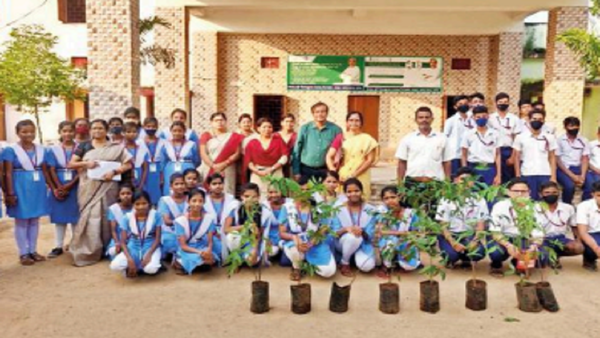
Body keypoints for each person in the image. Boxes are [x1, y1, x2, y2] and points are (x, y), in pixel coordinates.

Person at [69, 119, 133, 267]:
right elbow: (71, 164)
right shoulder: (84, 146)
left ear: (106, 130)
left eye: (100, 128)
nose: (97, 131)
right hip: (88, 188)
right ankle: (89, 250)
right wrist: (86, 164)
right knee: (91, 217)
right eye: (94, 128)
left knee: (107, 216)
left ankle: (108, 248)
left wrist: (115, 171)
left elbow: (128, 164)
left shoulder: (116, 147)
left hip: (109, 186)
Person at [3, 120, 51, 265]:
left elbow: (45, 169)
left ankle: (33, 250)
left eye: (31, 131)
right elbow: (7, 172)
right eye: (24, 132)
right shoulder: (10, 150)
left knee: (35, 219)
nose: (28, 134)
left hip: (37, 187)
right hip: (20, 186)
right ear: (17, 133)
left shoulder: (41, 149)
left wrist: (51, 186)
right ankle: (23, 252)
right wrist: (9, 193)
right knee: (22, 220)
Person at [279, 184, 337, 281]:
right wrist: (295, 238)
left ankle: (308, 262)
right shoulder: (287, 207)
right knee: (295, 252)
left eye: (308, 190)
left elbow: (323, 229)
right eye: (301, 189)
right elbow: (282, 232)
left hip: (315, 241)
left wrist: (310, 244)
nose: (304, 192)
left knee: (328, 272)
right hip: (295, 241)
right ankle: (297, 267)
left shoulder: (319, 207)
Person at [487, 179, 544, 277]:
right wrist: (508, 245)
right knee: (496, 252)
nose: (520, 194)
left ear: (529, 192)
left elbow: (538, 233)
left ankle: (517, 263)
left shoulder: (535, 207)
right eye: (516, 191)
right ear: (508, 192)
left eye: (523, 191)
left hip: (524, 238)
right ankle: (496, 265)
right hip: (504, 237)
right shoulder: (500, 206)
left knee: (542, 257)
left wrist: (534, 246)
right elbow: (495, 231)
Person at [436, 167, 488, 269]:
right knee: (451, 255)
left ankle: (466, 259)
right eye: (462, 180)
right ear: (456, 181)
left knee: (479, 252)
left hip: (469, 235)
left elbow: (481, 225)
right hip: (451, 234)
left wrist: (475, 241)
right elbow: (443, 225)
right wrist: (453, 242)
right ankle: (451, 258)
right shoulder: (446, 199)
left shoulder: (479, 199)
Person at [326, 111, 379, 199]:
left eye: (357, 120)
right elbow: (329, 156)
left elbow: (369, 160)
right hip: (343, 176)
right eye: (351, 120)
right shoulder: (341, 137)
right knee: (342, 202)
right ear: (347, 122)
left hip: (361, 174)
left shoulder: (367, 139)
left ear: (361, 123)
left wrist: (353, 175)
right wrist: (334, 173)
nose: (354, 123)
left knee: (361, 200)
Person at [47, 121, 80, 258]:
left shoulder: (80, 148)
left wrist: (70, 185)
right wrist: (58, 187)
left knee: (75, 217)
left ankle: (74, 244)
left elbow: (81, 169)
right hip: (58, 184)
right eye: (64, 131)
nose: (67, 134)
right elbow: (51, 169)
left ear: (75, 132)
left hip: (76, 184)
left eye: (70, 131)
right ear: (59, 132)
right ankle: (58, 245)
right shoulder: (53, 149)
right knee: (59, 218)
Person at [109, 191, 162, 277]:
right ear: (133, 204)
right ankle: (133, 268)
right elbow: (123, 241)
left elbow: (157, 238)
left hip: (150, 246)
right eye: (137, 204)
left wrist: (149, 254)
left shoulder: (156, 215)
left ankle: (140, 268)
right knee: (115, 266)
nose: (141, 207)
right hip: (133, 247)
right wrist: (129, 259)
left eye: (144, 203)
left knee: (151, 269)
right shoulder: (127, 217)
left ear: (149, 203)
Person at [332, 178, 377, 276]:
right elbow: (334, 233)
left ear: (361, 191)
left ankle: (353, 257)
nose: (353, 194)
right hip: (343, 243)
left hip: (363, 244)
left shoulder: (370, 210)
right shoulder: (338, 208)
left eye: (356, 191)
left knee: (367, 267)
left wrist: (361, 232)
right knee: (352, 237)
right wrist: (347, 229)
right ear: (345, 193)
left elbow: (370, 236)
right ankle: (344, 263)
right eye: (349, 192)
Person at [223, 183, 275, 265]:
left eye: (254, 197)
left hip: (253, 241)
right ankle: (236, 259)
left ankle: (247, 256)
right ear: (241, 197)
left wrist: (254, 250)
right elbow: (226, 229)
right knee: (231, 237)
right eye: (246, 196)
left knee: (251, 262)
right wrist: (246, 226)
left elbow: (260, 234)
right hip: (239, 240)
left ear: (258, 197)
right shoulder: (235, 208)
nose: (250, 199)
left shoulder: (264, 212)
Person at [396, 106, 452, 183]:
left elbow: (447, 162)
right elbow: (402, 162)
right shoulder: (407, 139)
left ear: (432, 119)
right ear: (416, 120)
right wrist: (400, 184)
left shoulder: (442, 138)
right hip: (413, 182)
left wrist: (447, 183)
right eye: (421, 117)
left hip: (435, 183)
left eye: (427, 117)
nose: (424, 120)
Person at [374, 186, 421, 278]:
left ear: (399, 197)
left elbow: (416, 233)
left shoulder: (410, 213)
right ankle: (385, 266)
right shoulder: (382, 212)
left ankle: (399, 261)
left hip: (406, 242)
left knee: (409, 267)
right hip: (388, 242)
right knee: (392, 241)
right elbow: (382, 231)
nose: (390, 200)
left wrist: (399, 234)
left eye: (393, 197)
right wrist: (403, 233)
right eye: (386, 198)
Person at [513, 109, 557, 200]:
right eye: (534, 118)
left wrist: (553, 176)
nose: (537, 121)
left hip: (545, 173)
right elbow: (516, 157)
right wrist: (518, 175)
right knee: (529, 200)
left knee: (544, 202)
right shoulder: (520, 137)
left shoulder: (550, 137)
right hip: (527, 173)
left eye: (540, 119)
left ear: (544, 121)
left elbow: (552, 157)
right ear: (529, 120)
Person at [292, 102, 342, 182]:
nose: (320, 114)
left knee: (324, 194)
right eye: (317, 112)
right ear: (313, 114)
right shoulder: (304, 129)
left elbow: (339, 150)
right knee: (306, 194)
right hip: (305, 170)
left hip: (325, 170)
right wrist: (296, 171)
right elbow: (297, 150)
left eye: (323, 111)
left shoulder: (336, 129)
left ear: (327, 113)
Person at [536, 182, 583, 268]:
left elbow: (574, 226)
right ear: (540, 194)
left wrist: (578, 240)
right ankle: (549, 258)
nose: (551, 195)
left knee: (579, 247)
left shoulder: (568, 208)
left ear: (559, 193)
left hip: (560, 238)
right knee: (542, 259)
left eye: (554, 192)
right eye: (547, 193)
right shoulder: (534, 208)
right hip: (541, 239)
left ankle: (556, 256)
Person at [174, 189, 219, 275]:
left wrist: (208, 250)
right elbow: (183, 246)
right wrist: (200, 252)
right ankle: (179, 261)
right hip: (188, 249)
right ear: (188, 201)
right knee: (200, 259)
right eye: (194, 201)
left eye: (200, 201)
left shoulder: (209, 219)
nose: (197, 204)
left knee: (209, 259)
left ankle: (189, 264)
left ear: (204, 202)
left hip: (201, 246)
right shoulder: (180, 221)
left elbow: (210, 242)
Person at [199, 112, 244, 195]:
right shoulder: (206, 135)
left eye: (221, 120)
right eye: (216, 120)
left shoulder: (233, 137)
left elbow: (237, 153)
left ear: (226, 122)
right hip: (209, 167)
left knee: (227, 191)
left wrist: (224, 164)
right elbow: (203, 153)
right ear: (211, 123)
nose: (219, 122)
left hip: (228, 168)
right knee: (209, 191)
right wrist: (214, 166)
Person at [244, 118, 289, 198]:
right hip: (258, 173)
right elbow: (248, 161)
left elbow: (285, 156)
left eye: (269, 127)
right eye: (264, 127)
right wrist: (257, 171)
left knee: (276, 195)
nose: (267, 129)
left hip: (276, 172)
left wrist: (271, 169)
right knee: (258, 195)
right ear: (258, 129)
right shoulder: (252, 143)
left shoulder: (278, 140)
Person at [203, 173, 239, 259]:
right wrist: (215, 232)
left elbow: (234, 218)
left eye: (220, 183)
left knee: (234, 238)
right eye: (214, 184)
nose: (218, 186)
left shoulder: (231, 199)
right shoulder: (204, 200)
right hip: (210, 232)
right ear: (209, 186)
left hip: (227, 229)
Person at [160, 121, 200, 196]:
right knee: (171, 188)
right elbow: (163, 161)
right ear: (171, 132)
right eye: (174, 131)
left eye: (180, 131)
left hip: (187, 169)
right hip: (170, 170)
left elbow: (197, 160)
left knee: (188, 188)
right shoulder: (165, 144)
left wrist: (188, 166)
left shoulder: (191, 144)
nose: (177, 133)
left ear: (184, 131)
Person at [556, 116, 590, 204]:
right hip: (563, 169)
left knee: (590, 184)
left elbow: (585, 158)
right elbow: (558, 160)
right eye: (571, 126)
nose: (574, 128)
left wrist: (582, 175)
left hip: (578, 168)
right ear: (565, 127)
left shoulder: (584, 140)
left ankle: (584, 206)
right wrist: (573, 176)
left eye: (576, 126)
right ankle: (566, 206)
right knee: (569, 186)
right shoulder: (559, 140)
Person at [488, 92, 521, 183]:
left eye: (506, 102)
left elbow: (516, 139)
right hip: (493, 150)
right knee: (495, 176)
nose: (503, 104)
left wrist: (513, 156)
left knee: (508, 178)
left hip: (508, 150)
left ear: (509, 103)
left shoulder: (514, 119)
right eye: (500, 102)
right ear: (495, 103)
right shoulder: (490, 118)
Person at [157, 174, 188, 258]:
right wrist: (182, 220)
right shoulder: (165, 200)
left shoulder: (190, 199)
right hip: (170, 231)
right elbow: (167, 221)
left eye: (182, 183)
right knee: (170, 241)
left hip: (188, 230)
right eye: (176, 184)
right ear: (171, 186)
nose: (180, 186)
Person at [444, 95, 474, 177]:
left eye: (465, 103)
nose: (463, 105)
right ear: (455, 107)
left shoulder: (473, 119)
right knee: (456, 179)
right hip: (455, 155)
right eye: (460, 104)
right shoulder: (450, 121)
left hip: (470, 156)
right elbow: (445, 138)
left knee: (469, 181)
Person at [139, 117, 166, 205]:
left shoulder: (163, 142)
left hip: (158, 170)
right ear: (143, 127)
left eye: (153, 126)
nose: (151, 128)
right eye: (148, 126)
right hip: (144, 170)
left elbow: (165, 158)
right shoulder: (138, 142)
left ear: (157, 127)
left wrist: (162, 173)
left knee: (158, 191)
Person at [576, 181, 600, 271]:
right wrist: (597, 249)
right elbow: (583, 233)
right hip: (590, 235)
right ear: (592, 194)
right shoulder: (583, 206)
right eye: (599, 195)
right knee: (590, 247)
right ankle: (589, 260)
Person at [106, 185, 134, 260]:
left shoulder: (136, 207)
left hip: (133, 238)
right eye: (123, 194)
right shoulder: (114, 209)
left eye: (128, 193)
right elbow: (113, 230)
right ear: (119, 196)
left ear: (132, 195)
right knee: (113, 252)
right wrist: (117, 243)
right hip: (118, 237)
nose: (126, 196)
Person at [123, 122, 149, 191]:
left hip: (140, 177)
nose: (132, 134)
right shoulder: (121, 149)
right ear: (123, 133)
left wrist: (142, 184)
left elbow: (145, 168)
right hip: (125, 177)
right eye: (128, 132)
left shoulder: (142, 148)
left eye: (134, 132)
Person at [277, 113, 297, 177]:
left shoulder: (297, 136)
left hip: (291, 165)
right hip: (277, 164)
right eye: (286, 121)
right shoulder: (275, 136)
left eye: (291, 121)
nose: (289, 124)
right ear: (281, 123)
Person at [587, 127, 600, 195]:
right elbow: (586, 161)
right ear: (598, 134)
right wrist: (596, 170)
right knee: (590, 185)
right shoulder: (591, 145)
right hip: (592, 171)